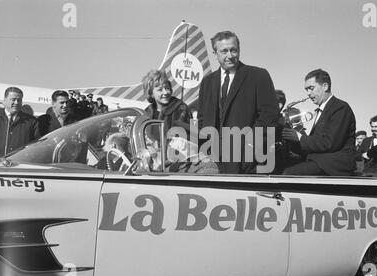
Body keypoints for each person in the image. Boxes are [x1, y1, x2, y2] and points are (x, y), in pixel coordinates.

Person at [198, 31, 280, 174]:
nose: (230, 55)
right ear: (214, 53)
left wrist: (249, 144)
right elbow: (202, 118)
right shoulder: (207, 82)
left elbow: (270, 115)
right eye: (224, 51)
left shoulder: (258, 76)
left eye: (233, 50)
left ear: (239, 50)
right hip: (214, 158)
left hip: (247, 159)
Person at [282, 69, 356, 176]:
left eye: (311, 88)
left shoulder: (340, 107)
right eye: (306, 90)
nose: (308, 94)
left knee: (288, 173)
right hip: (322, 161)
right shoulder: (322, 109)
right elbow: (316, 144)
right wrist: (292, 141)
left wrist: (299, 137)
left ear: (325, 86)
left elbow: (329, 143)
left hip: (334, 165)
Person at [142, 69, 191, 135]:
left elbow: (187, 137)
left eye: (167, 88)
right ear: (151, 93)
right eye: (160, 90)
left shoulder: (181, 108)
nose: (165, 92)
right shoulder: (146, 113)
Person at [0, 87, 40, 157]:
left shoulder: (32, 121)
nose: (16, 103)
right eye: (13, 100)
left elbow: (36, 146)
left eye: (19, 100)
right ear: (5, 100)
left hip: (20, 165)